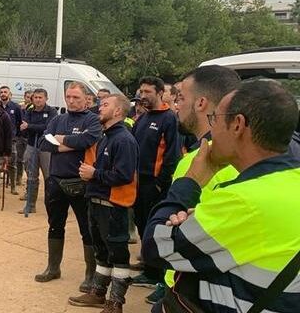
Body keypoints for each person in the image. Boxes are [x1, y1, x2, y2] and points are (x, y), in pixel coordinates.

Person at [142, 79, 300, 313]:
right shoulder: (289, 180)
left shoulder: (244, 200)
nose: (211, 128)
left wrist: (190, 182)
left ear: (237, 125)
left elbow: (154, 246)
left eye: (215, 118)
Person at [145, 65, 242, 307]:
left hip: (189, 288)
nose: (175, 105)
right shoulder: (249, 157)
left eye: (180, 97)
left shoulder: (197, 161)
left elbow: (165, 237)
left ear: (200, 103)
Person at [67, 94, 138, 313]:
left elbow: (124, 175)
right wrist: (91, 174)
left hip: (113, 205)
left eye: (105, 105)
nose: (99, 108)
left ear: (118, 111)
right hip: (96, 201)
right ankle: (98, 293)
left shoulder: (124, 139)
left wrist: (93, 173)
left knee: (118, 254)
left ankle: (115, 302)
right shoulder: (106, 137)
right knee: (101, 251)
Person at [35, 82, 102, 294]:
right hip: (55, 181)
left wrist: (61, 142)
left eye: (76, 98)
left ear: (86, 99)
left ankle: (90, 275)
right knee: (55, 225)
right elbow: (45, 144)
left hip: (80, 183)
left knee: (87, 229)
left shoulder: (92, 119)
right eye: (68, 97)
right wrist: (71, 144)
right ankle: (53, 268)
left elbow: (89, 139)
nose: (71, 101)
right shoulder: (58, 119)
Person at [130, 77, 181, 289]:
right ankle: (148, 265)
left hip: (154, 184)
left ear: (160, 93)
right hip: (137, 182)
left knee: (154, 227)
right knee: (142, 224)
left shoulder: (169, 119)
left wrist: (161, 184)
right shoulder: (142, 117)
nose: (143, 96)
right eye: (141, 91)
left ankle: (155, 275)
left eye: (147, 92)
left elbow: (172, 155)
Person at [19, 88, 57, 214]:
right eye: (36, 97)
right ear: (32, 99)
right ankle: (30, 205)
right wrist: (29, 128)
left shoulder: (52, 111)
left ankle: (51, 205)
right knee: (31, 176)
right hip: (31, 145)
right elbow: (23, 128)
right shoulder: (29, 111)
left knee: (49, 177)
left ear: (46, 98)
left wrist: (30, 126)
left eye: (40, 97)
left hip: (46, 147)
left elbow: (48, 128)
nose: (38, 100)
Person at [0, 86, 24, 195]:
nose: (3, 94)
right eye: (1, 92)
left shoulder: (16, 107)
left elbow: (20, 123)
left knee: (12, 164)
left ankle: (13, 187)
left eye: (5, 92)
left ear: (9, 94)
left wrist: (16, 136)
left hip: (11, 140)